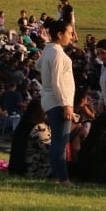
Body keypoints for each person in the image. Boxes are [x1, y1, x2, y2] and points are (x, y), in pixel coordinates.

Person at [38, 16, 77, 184]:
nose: (72, 36)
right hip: (57, 101)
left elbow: (37, 65)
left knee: (57, 141)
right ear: (60, 34)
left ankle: (56, 177)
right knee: (61, 142)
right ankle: (63, 178)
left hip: (50, 99)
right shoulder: (57, 53)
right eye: (69, 33)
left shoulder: (50, 50)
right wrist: (66, 104)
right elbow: (57, 81)